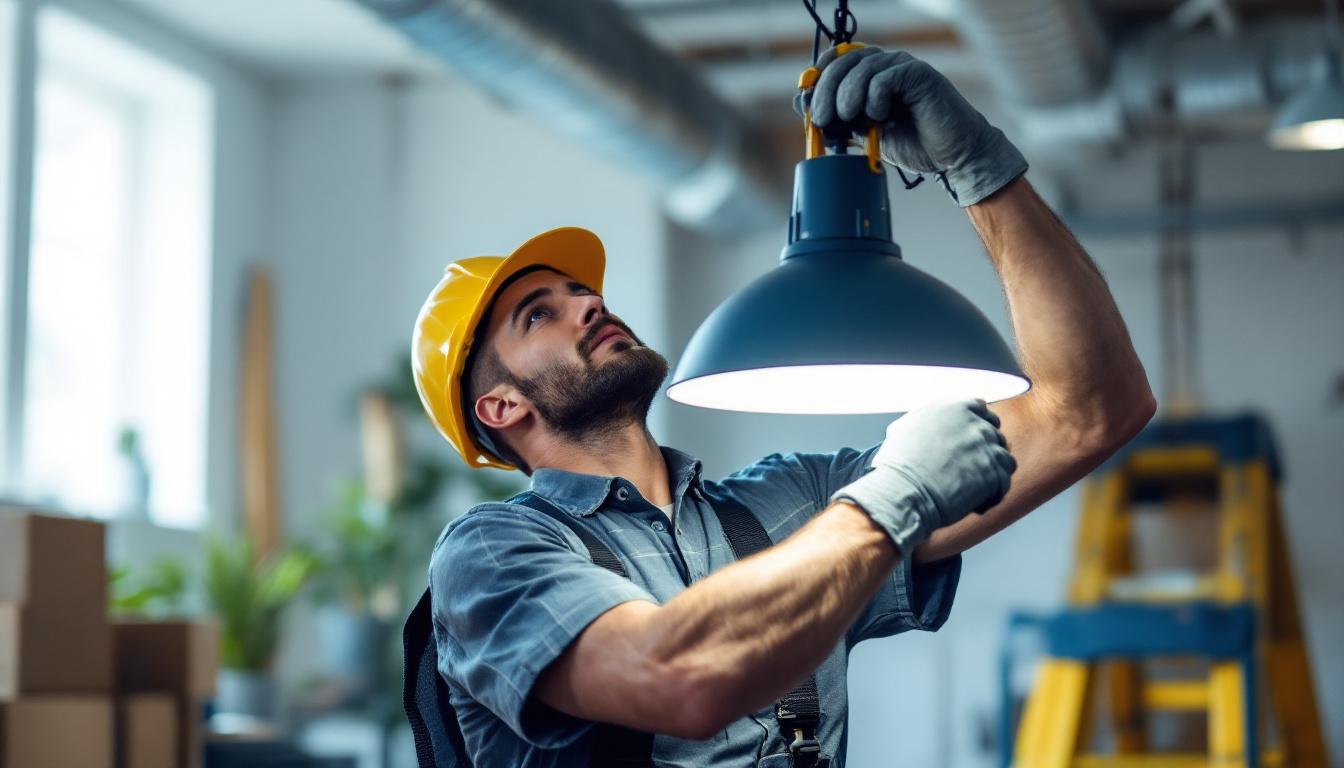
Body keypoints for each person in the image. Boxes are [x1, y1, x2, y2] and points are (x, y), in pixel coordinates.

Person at [408, 45, 1155, 767]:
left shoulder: (796, 501)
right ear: (500, 406)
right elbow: (679, 675)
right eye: (539, 314)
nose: (589, 302)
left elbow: (1088, 409)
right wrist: (893, 499)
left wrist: (980, 167)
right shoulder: (492, 555)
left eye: (581, 291)